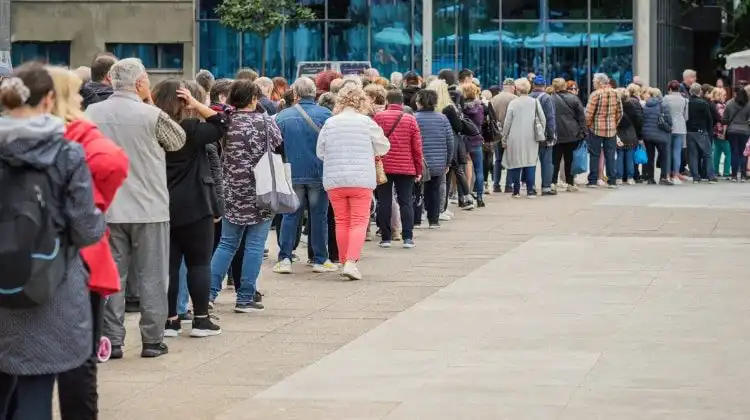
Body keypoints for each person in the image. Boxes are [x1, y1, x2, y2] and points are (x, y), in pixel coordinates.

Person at [0, 63, 105, 418]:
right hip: (50, 286)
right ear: (48, 100)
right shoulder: (66, 154)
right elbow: (88, 230)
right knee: (36, 386)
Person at [88, 58, 187, 359]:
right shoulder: (152, 114)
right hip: (149, 208)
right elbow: (178, 141)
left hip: (107, 206)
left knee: (111, 278)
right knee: (153, 276)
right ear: (141, 82)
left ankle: (112, 341)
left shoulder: (92, 112)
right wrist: (149, 100)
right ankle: (152, 340)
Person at [47, 66, 128, 420]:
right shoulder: (79, 134)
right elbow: (113, 163)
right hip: (80, 255)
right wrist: (95, 202)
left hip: (24, 254)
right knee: (79, 359)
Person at [151, 79, 226, 338]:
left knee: (169, 266)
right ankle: (201, 319)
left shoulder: (151, 128)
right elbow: (221, 124)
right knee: (199, 263)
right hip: (196, 203)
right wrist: (196, 104)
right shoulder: (191, 129)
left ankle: (170, 320)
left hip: (161, 204)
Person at [209, 80, 282, 313]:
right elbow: (278, 143)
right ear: (253, 99)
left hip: (232, 190)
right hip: (261, 190)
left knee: (227, 244)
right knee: (254, 245)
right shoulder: (265, 121)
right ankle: (245, 297)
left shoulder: (226, 122)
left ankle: (208, 294)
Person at [317, 84, 390, 280]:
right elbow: (383, 146)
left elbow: (320, 151)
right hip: (361, 179)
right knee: (359, 220)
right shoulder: (366, 123)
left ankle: (343, 260)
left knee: (341, 221)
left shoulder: (330, 123)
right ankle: (351, 261)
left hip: (335, 179)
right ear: (362, 101)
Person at [273, 77, 337, 274]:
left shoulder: (283, 116)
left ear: (295, 94)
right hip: (319, 172)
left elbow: (277, 146)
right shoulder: (326, 114)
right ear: (314, 92)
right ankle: (319, 259)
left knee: (290, 215)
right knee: (319, 216)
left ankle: (285, 258)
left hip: (292, 172)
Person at [374, 89, 423, 249]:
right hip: (406, 166)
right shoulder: (410, 119)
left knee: (384, 201)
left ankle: (385, 237)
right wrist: (418, 169)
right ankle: (408, 237)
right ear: (402, 103)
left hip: (384, 165)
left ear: (387, 101)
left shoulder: (379, 117)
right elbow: (417, 147)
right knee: (406, 201)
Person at [414, 89, 453, 228]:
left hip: (420, 162)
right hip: (438, 162)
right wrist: (448, 161)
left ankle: (416, 220)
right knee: (434, 191)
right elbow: (450, 141)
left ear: (420, 102)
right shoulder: (442, 118)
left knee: (416, 191)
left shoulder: (414, 118)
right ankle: (433, 220)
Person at [502, 78, 545, 198]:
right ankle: (530, 190)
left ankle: (516, 191)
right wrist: (540, 131)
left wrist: (504, 138)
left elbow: (507, 123)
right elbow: (543, 119)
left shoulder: (513, 103)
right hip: (531, 137)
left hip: (514, 138)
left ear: (517, 89)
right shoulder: (535, 102)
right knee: (530, 162)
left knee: (516, 162)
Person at [585, 73, 623, 189]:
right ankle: (612, 181)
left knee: (594, 155)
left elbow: (588, 114)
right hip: (611, 129)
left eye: (594, 82)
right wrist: (614, 124)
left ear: (600, 82)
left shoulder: (595, 94)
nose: (593, 84)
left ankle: (593, 180)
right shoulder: (616, 93)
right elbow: (620, 112)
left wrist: (589, 125)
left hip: (596, 129)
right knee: (610, 155)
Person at [551, 78, 586, 191]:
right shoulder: (574, 98)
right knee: (569, 160)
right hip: (572, 133)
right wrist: (583, 132)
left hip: (556, 133)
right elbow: (581, 117)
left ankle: (553, 183)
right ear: (564, 86)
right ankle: (570, 184)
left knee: (555, 160)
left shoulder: (550, 99)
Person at [461, 81, 487, 206]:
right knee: (479, 170)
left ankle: (465, 196)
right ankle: (480, 197)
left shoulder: (461, 108)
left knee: (462, 169)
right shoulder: (480, 107)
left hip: (464, 140)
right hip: (476, 139)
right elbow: (481, 122)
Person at [529, 75, 557, 195]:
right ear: (544, 86)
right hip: (544, 136)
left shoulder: (528, 97)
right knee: (546, 162)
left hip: (530, 136)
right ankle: (546, 187)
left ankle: (531, 187)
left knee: (530, 162)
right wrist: (551, 135)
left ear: (533, 85)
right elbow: (550, 119)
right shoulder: (546, 98)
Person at [490, 78, 518, 192]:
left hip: (497, 133)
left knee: (497, 160)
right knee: (510, 160)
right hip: (511, 133)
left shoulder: (494, 99)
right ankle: (508, 186)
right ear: (512, 87)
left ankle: (496, 185)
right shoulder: (515, 99)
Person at [641, 88, 674, 185]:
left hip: (647, 135)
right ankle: (663, 177)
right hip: (661, 135)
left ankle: (650, 178)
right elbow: (669, 121)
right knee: (664, 156)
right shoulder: (663, 105)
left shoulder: (646, 105)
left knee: (650, 156)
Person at [685, 83, 716, 183]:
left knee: (693, 155)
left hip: (690, 131)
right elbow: (709, 119)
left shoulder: (687, 102)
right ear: (700, 92)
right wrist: (708, 130)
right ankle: (710, 176)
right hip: (702, 131)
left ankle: (695, 177)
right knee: (707, 154)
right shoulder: (703, 103)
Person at [663, 80, 690, 183]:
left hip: (669, 127)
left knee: (668, 151)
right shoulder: (684, 100)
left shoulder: (665, 98)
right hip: (680, 127)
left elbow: (663, 112)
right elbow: (686, 116)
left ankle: (667, 174)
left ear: (669, 88)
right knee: (677, 152)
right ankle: (675, 174)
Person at [722, 85, 750, 182]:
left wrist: (726, 126)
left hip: (732, 130)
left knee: (734, 152)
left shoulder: (730, 104)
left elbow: (724, 119)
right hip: (745, 131)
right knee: (743, 153)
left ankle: (734, 175)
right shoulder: (748, 104)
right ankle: (743, 175)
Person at [615, 88, 642, 185]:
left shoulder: (616, 107)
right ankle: (630, 178)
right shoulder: (631, 105)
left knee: (619, 155)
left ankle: (619, 178)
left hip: (619, 133)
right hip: (630, 132)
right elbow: (637, 120)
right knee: (630, 156)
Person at [711, 88, 731, 179]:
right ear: (719, 96)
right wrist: (724, 133)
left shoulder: (713, 105)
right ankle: (726, 172)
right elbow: (724, 120)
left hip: (715, 131)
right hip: (721, 132)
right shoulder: (721, 106)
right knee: (728, 152)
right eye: (724, 95)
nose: (725, 97)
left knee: (717, 152)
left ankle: (715, 171)